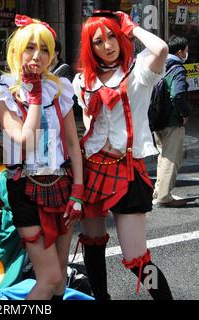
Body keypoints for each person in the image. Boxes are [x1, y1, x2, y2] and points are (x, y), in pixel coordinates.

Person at [72, 8, 173, 300]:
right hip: (93, 168)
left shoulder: (137, 70)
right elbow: (89, 122)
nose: (107, 45)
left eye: (112, 37)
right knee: (92, 245)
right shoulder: (84, 81)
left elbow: (162, 48)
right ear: (89, 47)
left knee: (138, 260)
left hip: (127, 170)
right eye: (98, 41)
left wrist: (133, 28)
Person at [0, 14, 83, 300]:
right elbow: (22, 140)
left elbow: (72, 144)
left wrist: (78, 191)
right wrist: (36, 97)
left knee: (60, 278)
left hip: (62, 185)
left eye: (44, 49)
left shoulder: (60, 88)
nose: (37, 56)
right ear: (16, 50)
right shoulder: (3, 91)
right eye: (30, 47)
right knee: (49, 278)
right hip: (24, 189)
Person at [153, 35, 190, 208]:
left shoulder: (159, 65)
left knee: (163, 156)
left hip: (156, 119)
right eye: (186, 50)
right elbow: (178, 94)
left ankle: (158, 191)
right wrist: (185, 113)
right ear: (180, 51)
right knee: (171, 158)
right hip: (172, 120)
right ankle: (164, 196)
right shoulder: (177, 69)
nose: (186, 53)